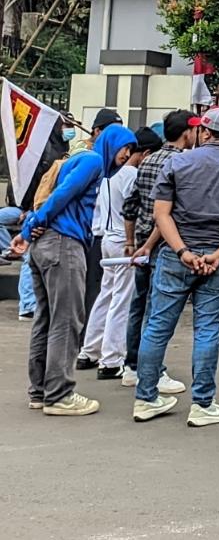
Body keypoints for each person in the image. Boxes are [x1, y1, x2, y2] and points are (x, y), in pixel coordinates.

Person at [133, 107, 219, 427]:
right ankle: (203, 404)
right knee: (207, 329)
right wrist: (218, 255)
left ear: (205, 132)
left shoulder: (177, 163)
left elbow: (161, 214)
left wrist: (182, 251)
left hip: (175, 256)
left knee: (157, 326)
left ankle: (145, 398)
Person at [9, 123, 132, 415]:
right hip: (64, 245)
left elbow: (55, 195)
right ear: (113, 143)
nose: (128, 156)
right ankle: (59, 394)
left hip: (48, 245)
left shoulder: (79, 159)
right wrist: (30, 227)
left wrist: (31, 228)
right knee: (66, 320)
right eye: (127, 148)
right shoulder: (93, 161)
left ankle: (40, 390)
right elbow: (62, 194)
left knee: (47, 318)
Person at [121, 110, 195, 393]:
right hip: (165, 243)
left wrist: (132, 242)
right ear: (187, 133)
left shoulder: (147, 159)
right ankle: (152, 371)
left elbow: (132, 205)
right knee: (157, 311)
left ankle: (131, 365)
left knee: (138, 305)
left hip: (140, 238)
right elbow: (170, 212)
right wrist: (153, 242)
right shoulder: (183, 163)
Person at [76, 127, 153, 379]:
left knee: (106, 295)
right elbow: (135, 209)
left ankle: (89, 350)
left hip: (107, 237)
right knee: (121, 300)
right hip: (124, 240)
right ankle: (111, 359)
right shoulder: (130, 174)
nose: (127, 153)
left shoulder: (105, 174)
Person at [0, 118, 73, 319]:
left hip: (38, 208)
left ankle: (32, 304)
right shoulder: (43, 152)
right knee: (29, 255)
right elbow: (40, 183)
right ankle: (29, 305)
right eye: (67, 125)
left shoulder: (61, 148)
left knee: (31, 255)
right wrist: (29, 208)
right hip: (34, 208)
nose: (70, 129)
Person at [82, 108, 124, 332]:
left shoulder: (119, 167)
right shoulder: (87, 158)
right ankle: (86, 338)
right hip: (88, 232)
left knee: (105, 291)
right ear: (97, 131)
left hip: (107, 235)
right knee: (91, 288)